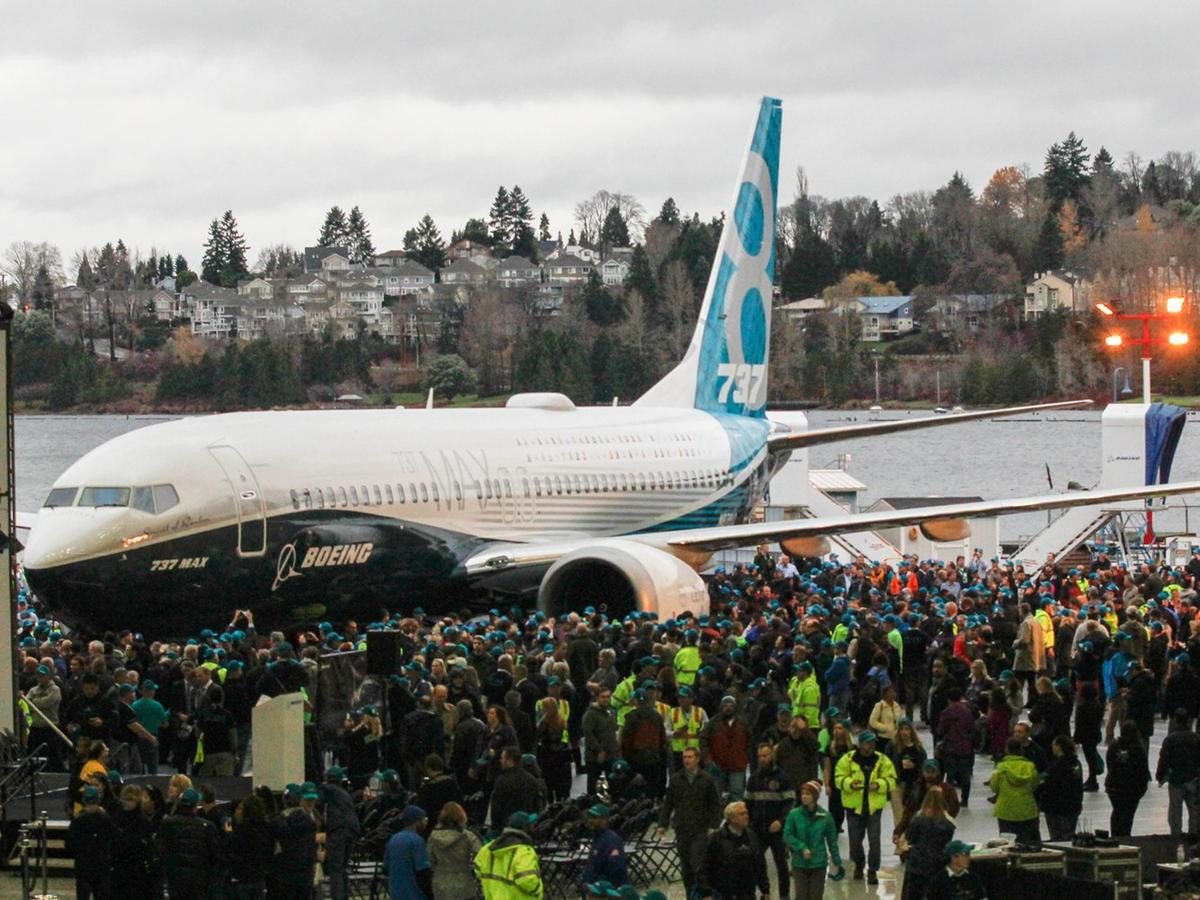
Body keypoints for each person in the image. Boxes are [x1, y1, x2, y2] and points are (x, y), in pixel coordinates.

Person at [658, 746, 723, 896]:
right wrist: (663, 823)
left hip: (700, 829)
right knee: (686, 866)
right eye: (684, 757)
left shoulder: (707, 779)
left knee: (697, 864)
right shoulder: (676, 779)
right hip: (682, 829)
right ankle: (690, 895)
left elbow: (715, 804)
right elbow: (668, 803)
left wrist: (714, 825)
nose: (686, 760)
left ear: (697, 759)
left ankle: (702, 894)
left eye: (690, 757)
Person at [834, 730, 896, 885]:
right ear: (860, 743)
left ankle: (873, 870)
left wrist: (879, 785)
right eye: (868, 742)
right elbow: (838, 778)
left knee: (874, 840)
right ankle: (858, 863)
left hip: (874, 808)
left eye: (873, 742)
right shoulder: (848, 759)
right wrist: (850, 784)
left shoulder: (882, 760)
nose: (871, 745)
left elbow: (891, 778)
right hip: (853, 808)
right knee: (855, 840)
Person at [745, 742, 794, 898]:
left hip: (777, 830)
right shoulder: (753, 779)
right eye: (760, 756)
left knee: (782, 865)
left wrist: (781, 821)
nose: (762, 759)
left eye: (765, 755)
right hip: (757, 830)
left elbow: (790, 803)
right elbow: (747, 804)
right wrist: (749, 825)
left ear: (772, 755)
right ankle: (764, 892)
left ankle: (784, 895)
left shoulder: (783, 778)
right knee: (757, 863)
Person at [696, 801, 770, 900]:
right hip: (723, 893)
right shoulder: (716, 838)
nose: (746, 816)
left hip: (747, 893)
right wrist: (706, 893)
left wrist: (765, 889)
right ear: (731, 818)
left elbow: (760, 864)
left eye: (746, 813)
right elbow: (703, 866)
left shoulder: (752, 836)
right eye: (742, 814)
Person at [783, 780, 843, 900]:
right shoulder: (794, 815)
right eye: (802, 793)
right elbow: (787, 835)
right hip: (799, 864)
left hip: (818, 864)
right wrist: (802, 847)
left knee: (816, 896)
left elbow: (832, 841)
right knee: (801, 896)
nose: (804, 796)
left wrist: (837, 862)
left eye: (808, 794)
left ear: (815, 796)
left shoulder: (826, 817)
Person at [159, 787, 221, 900]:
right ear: (196, 805)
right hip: (199, 881)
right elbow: (215, 855)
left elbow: (161, 849)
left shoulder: (168, 823)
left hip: (175, 879)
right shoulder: (207, 827)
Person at [474, 810, 543, 900]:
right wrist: (538, 890)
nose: (533, 827)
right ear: (525, 828)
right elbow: (527, 880)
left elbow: (478, 870)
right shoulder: (524, 852)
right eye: (531, 825)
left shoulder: (488, 848)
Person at [902, 787, 956, 900]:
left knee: (914, 894)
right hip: (939, 863)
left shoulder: (918, 819)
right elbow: (948, 841)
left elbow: (910, 839)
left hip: (918, 863)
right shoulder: (949, 821)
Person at [1156, 707, 1200, 837]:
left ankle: (1176, 836)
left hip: (1176, 779)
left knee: (1175, 809)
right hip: (1193, 778)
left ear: (1175, 721)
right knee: (1194, 809)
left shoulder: (1170, 739)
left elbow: (1164, 759)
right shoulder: (1195, 738)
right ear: (1187, 721)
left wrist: (1160, 775)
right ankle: (1194, 834)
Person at [67, 785, 116, 900]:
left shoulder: (78, 821)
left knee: (83, 895)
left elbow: (69, 844)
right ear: (98, 800)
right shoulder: (105, 819)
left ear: (84, 800)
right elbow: (114, 838)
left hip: (83, 866)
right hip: (101, 865)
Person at [987, 737, 1040, 844]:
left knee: (1007, 843)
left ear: (1007, 749)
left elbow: (994, 787)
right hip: (1027, 810)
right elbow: (1035, 785)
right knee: (1028, 843)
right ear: (1021, 750)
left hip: (1005, 810)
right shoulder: (1030, 767)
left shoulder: (1000, 768)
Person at [322, 765, 362, 900]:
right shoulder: (345, 794)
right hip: (352, 831)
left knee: (335, 869)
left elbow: (317, 798)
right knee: (342, 868)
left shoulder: (328, 789)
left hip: (338, 831)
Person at [428, 801, 483, 900]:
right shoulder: (468, 837)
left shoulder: (433, 838)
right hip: (465, 885)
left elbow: (430, 862)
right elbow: (481, 858)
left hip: (441, 886)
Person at [1106, 719, 1150, 838]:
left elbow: (1109, 764)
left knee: (1117, 812)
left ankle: (1115, 835)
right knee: (1128, 815)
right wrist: (1142, 788)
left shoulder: (1114, 746)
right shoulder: (1139, 748)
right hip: (1132, 789)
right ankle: (1125, 837)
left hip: (1114, 787)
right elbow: (1143, 770)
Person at [227, 792, 275, 900]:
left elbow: (232, 850)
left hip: (242, 878)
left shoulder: (240, 830)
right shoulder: (267, 828)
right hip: (259, 877)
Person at [703, 695, 751, 800]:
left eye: (731, 706)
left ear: (735, 708)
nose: (728, 708)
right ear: (721, 707)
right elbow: (703, 739)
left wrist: (746, 756)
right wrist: (708, 758)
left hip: (737, 765)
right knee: (715, 795)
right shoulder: (713, 722)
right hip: (717, 765)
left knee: (737, 794)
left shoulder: (743, 723)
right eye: (725, 706)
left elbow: (750, 741)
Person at [1038, 735, 1083, 841]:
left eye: (1053, 745)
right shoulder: (1076, 764)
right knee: (1069, 835)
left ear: (1058, 747)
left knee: (1058, 838)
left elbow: (1049, 784)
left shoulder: (1057, 765)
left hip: (1057, 808)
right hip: (1074, 805)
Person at [384, 805, 432, 900]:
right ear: (416, 821)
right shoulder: (417, 841)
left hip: (396, 894)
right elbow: (422, 872)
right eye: (423, 819)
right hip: (415, 894)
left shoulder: (393, 839)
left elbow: (385, 869)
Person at [489, 745, 542, 830]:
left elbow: (496, 808)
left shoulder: (502, 781)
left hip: (507, 827)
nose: (500, 761)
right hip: (527, 825)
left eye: (502, 758)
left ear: (510, 761)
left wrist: (495, 828)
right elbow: (537, 806)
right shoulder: (531, 779)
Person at [581, 686, 619, 794]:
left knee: (613, 783)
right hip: (594, 756)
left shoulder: (611, 711)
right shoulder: (590, 714)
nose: (606, 699)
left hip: (611, 754)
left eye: (608, 696)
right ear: (597, 698)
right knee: (592, 785)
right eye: (603, 697)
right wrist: (599, 750)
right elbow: (588, 734)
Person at [582, 803, 629, 886]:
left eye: (594, 818)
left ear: (604, 820)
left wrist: (599, 886)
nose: (590, 820)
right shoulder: (597, 837)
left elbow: (615, 870)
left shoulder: (611, 840)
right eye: (589, 817)